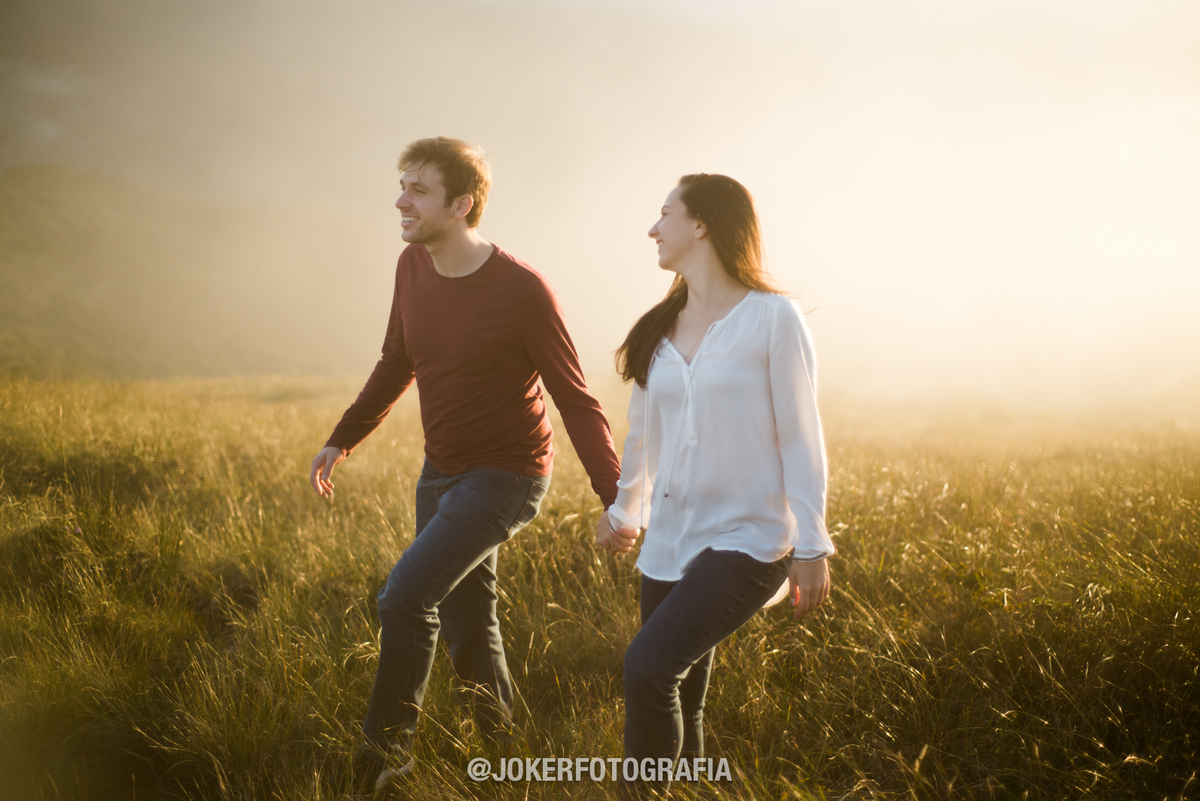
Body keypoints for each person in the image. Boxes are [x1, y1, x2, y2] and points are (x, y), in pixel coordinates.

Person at [309, 137, 622, 794]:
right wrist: (343, 438)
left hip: (508, 476)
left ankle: (386, 756)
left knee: (405, 596)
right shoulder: (412, 266)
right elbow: (398, 359)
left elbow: (575, 396)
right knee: (467, 622)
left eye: (417, 189)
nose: (400, 200)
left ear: (462, 204)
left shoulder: (522, 290)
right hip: (441, 470)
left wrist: (616, 498)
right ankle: (507, 758)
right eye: (402, 184)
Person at [593, 173, 835, 796]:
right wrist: (626, 509)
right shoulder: (659, 327)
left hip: (749, 540)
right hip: (670, 541)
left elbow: (801, 437)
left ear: (701, 224)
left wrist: (812, 544)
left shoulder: (773, 318)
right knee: (683, 693)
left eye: (665, 213)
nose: (653, 228)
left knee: (647, 669)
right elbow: (642, 432)